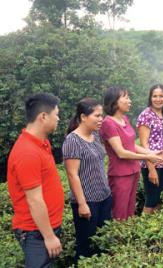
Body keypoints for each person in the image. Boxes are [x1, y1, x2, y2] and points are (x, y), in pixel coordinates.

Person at [7, 93, 64, 268]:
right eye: (56, 115)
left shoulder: (41, 143)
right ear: (43, 116)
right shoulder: (27, 152)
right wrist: (48, 236)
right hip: (36, 232)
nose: (59, 119)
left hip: (45, 228)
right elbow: (34, 200)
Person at [99, 86, 163, 220]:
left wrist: (153, 153)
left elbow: (132, 146)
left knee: (130, 211)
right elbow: (121, 153)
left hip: (133, 170)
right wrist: (148, 156)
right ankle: (118, 240)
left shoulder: (124, 119)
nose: (129, 101)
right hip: (120, 174)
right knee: (120, 213)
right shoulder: (108, 123)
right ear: (115, 101)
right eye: (126, 98)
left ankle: (128, 238)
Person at [62, 98, 112, 263]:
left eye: (101, 116)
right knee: (86, 247)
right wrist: (82, 204)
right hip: (87, 202)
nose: (100, 119)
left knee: (102, 242)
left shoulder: (95, 136)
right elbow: (72, 174)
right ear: (83, 117)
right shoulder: (72, 140)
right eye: (97, 116)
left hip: (104, 197)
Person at [136, 84, 163, 214]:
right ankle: (143, 230)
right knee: (151, 200)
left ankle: (155, 228)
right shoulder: (146, 115)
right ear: (150, 98)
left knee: (161, 199)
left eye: (161, 96)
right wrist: (152, 170)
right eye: (155, 96)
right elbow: (144, 145)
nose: (158, 99)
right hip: (152, 164)